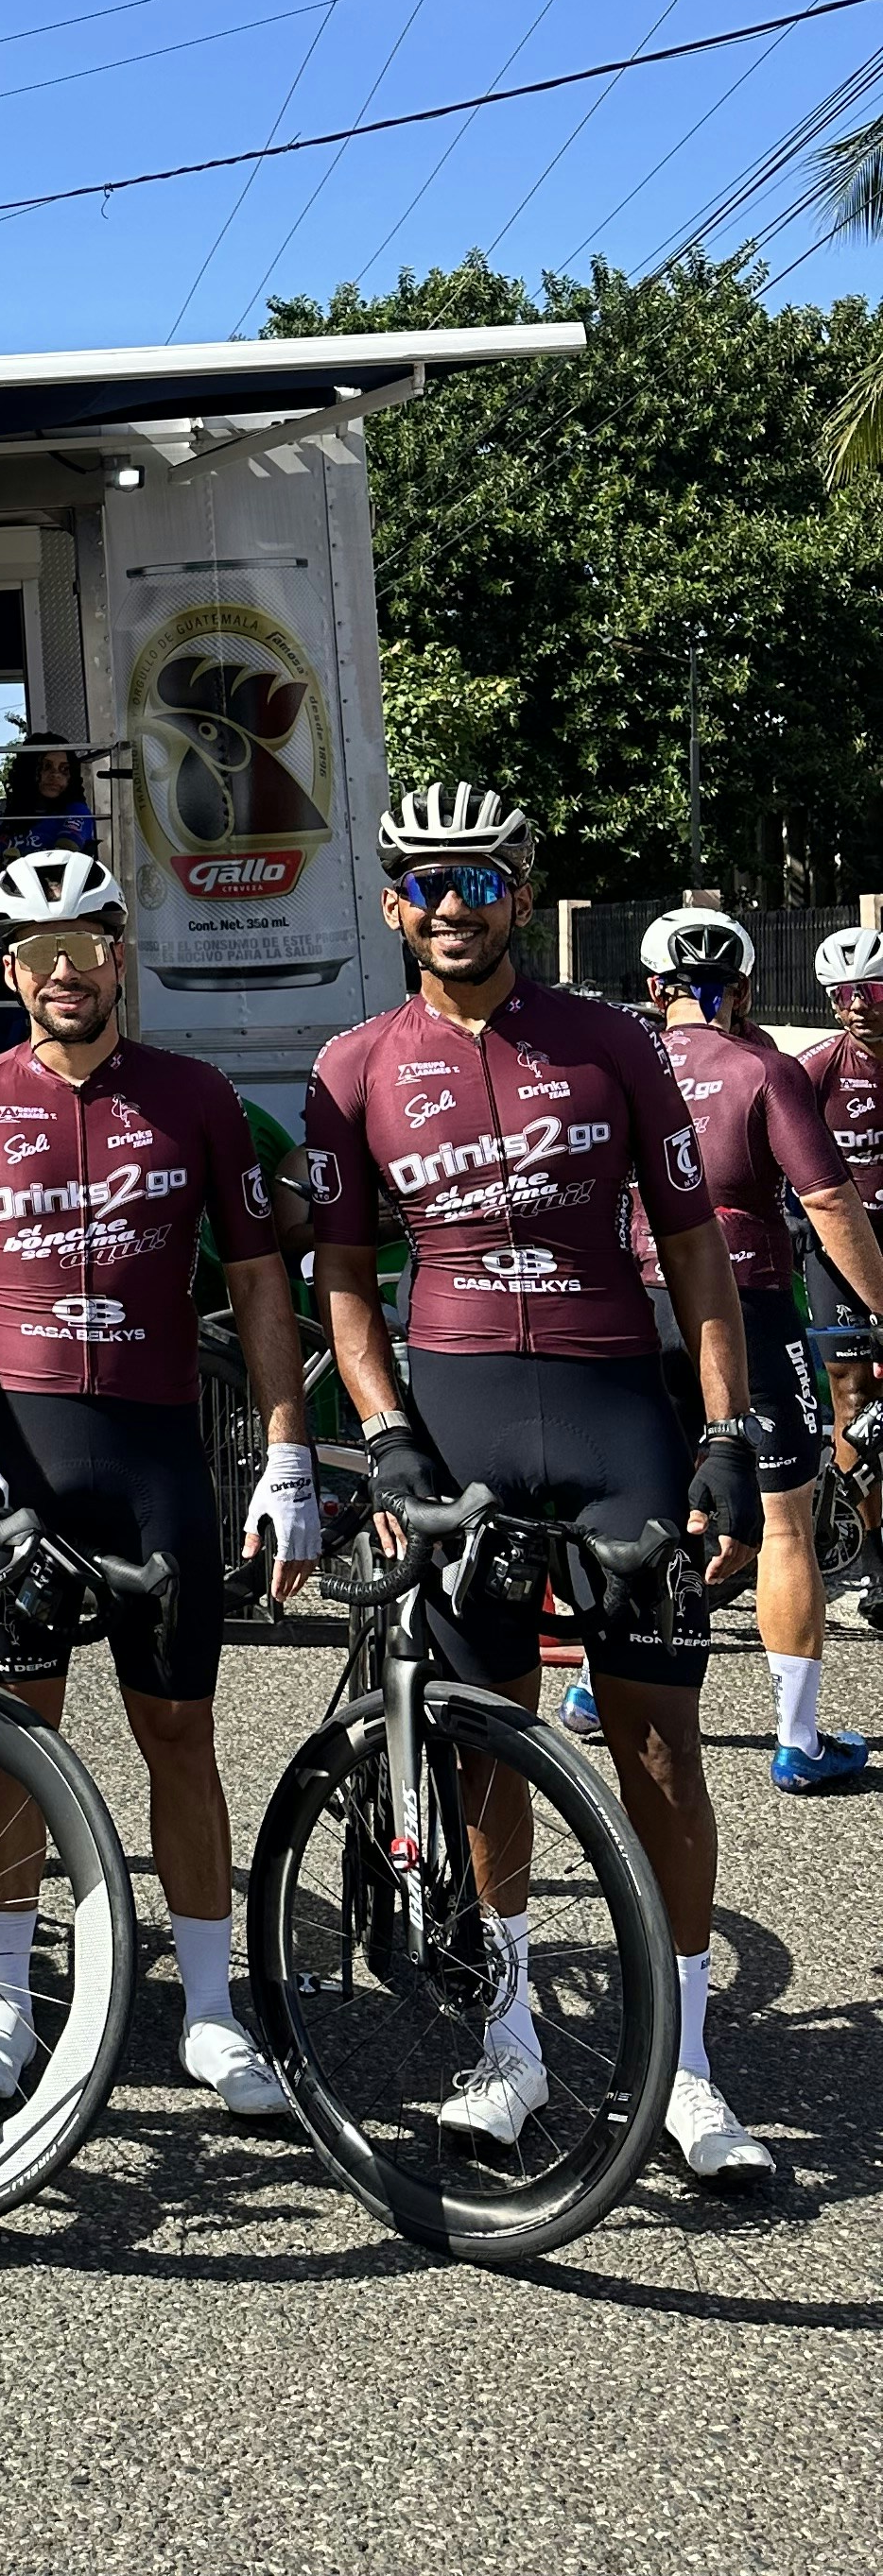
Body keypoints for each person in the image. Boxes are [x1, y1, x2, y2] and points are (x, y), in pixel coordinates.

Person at [303, 781, 774, 2187]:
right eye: (426, 885)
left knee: (661, 1750)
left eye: (479, 881)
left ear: (517, 889)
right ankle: (509, 2044)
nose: (453, 906)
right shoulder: (352, 1067)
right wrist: (386, 1433)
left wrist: (726, 1435)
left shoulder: (613, 1042)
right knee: (485, 1747)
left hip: (612, 1407)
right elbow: (340, 1278)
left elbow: (692, 1246)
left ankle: (687, 2066)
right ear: (396, 904)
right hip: (459, 1426)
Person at [0, 848, 316, 2122]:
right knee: (21, 1739)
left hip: (154, 1455)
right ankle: (12, 2002)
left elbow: (255, 1279)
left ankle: (211, 2010)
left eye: (85, 944)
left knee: (180, 1734)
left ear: (121, 953)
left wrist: (289, 1447)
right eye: (35, 951)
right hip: (18, 1462)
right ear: (9, 971)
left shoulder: (195, 1097)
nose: (63, 970)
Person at [571, 909, 883, 1792]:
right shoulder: (764, 1069)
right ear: (742, 990)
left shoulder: (613, 1072)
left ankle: (596, 1690)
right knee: (781, 1520)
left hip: (634, 1306)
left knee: (645, 1503)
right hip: (744, 1304)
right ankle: (800, 1740)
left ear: (650, 989)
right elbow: (828, 1201)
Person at [797, 923, 883, 1615]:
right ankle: (869, 1549)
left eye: (872, 989)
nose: (859, 1004)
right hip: (842, 1250)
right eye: (844, 993)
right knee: (853, 1398)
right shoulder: (818, 1068)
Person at [0, 736, 99, 869]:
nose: (55, 775)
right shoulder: (11, 814)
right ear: (27, 770)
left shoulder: (76, 812)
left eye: (65, 769)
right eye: (46, 766)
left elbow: (62, 859)